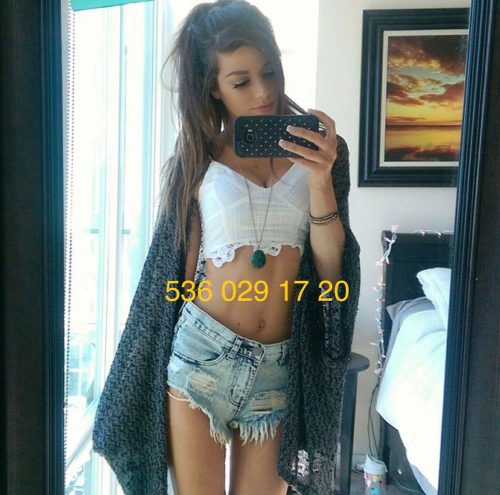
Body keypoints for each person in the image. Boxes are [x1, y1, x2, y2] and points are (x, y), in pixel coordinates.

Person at [92, 1, 361, 495]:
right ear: (213, 87)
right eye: (241, 82)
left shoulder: (323, 153)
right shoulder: (198, 156)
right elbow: (174, 271)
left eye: (269, 72)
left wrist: (321, 180)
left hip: (281, 366)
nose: (263, 92)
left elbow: (331, 272)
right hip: (201, 357)